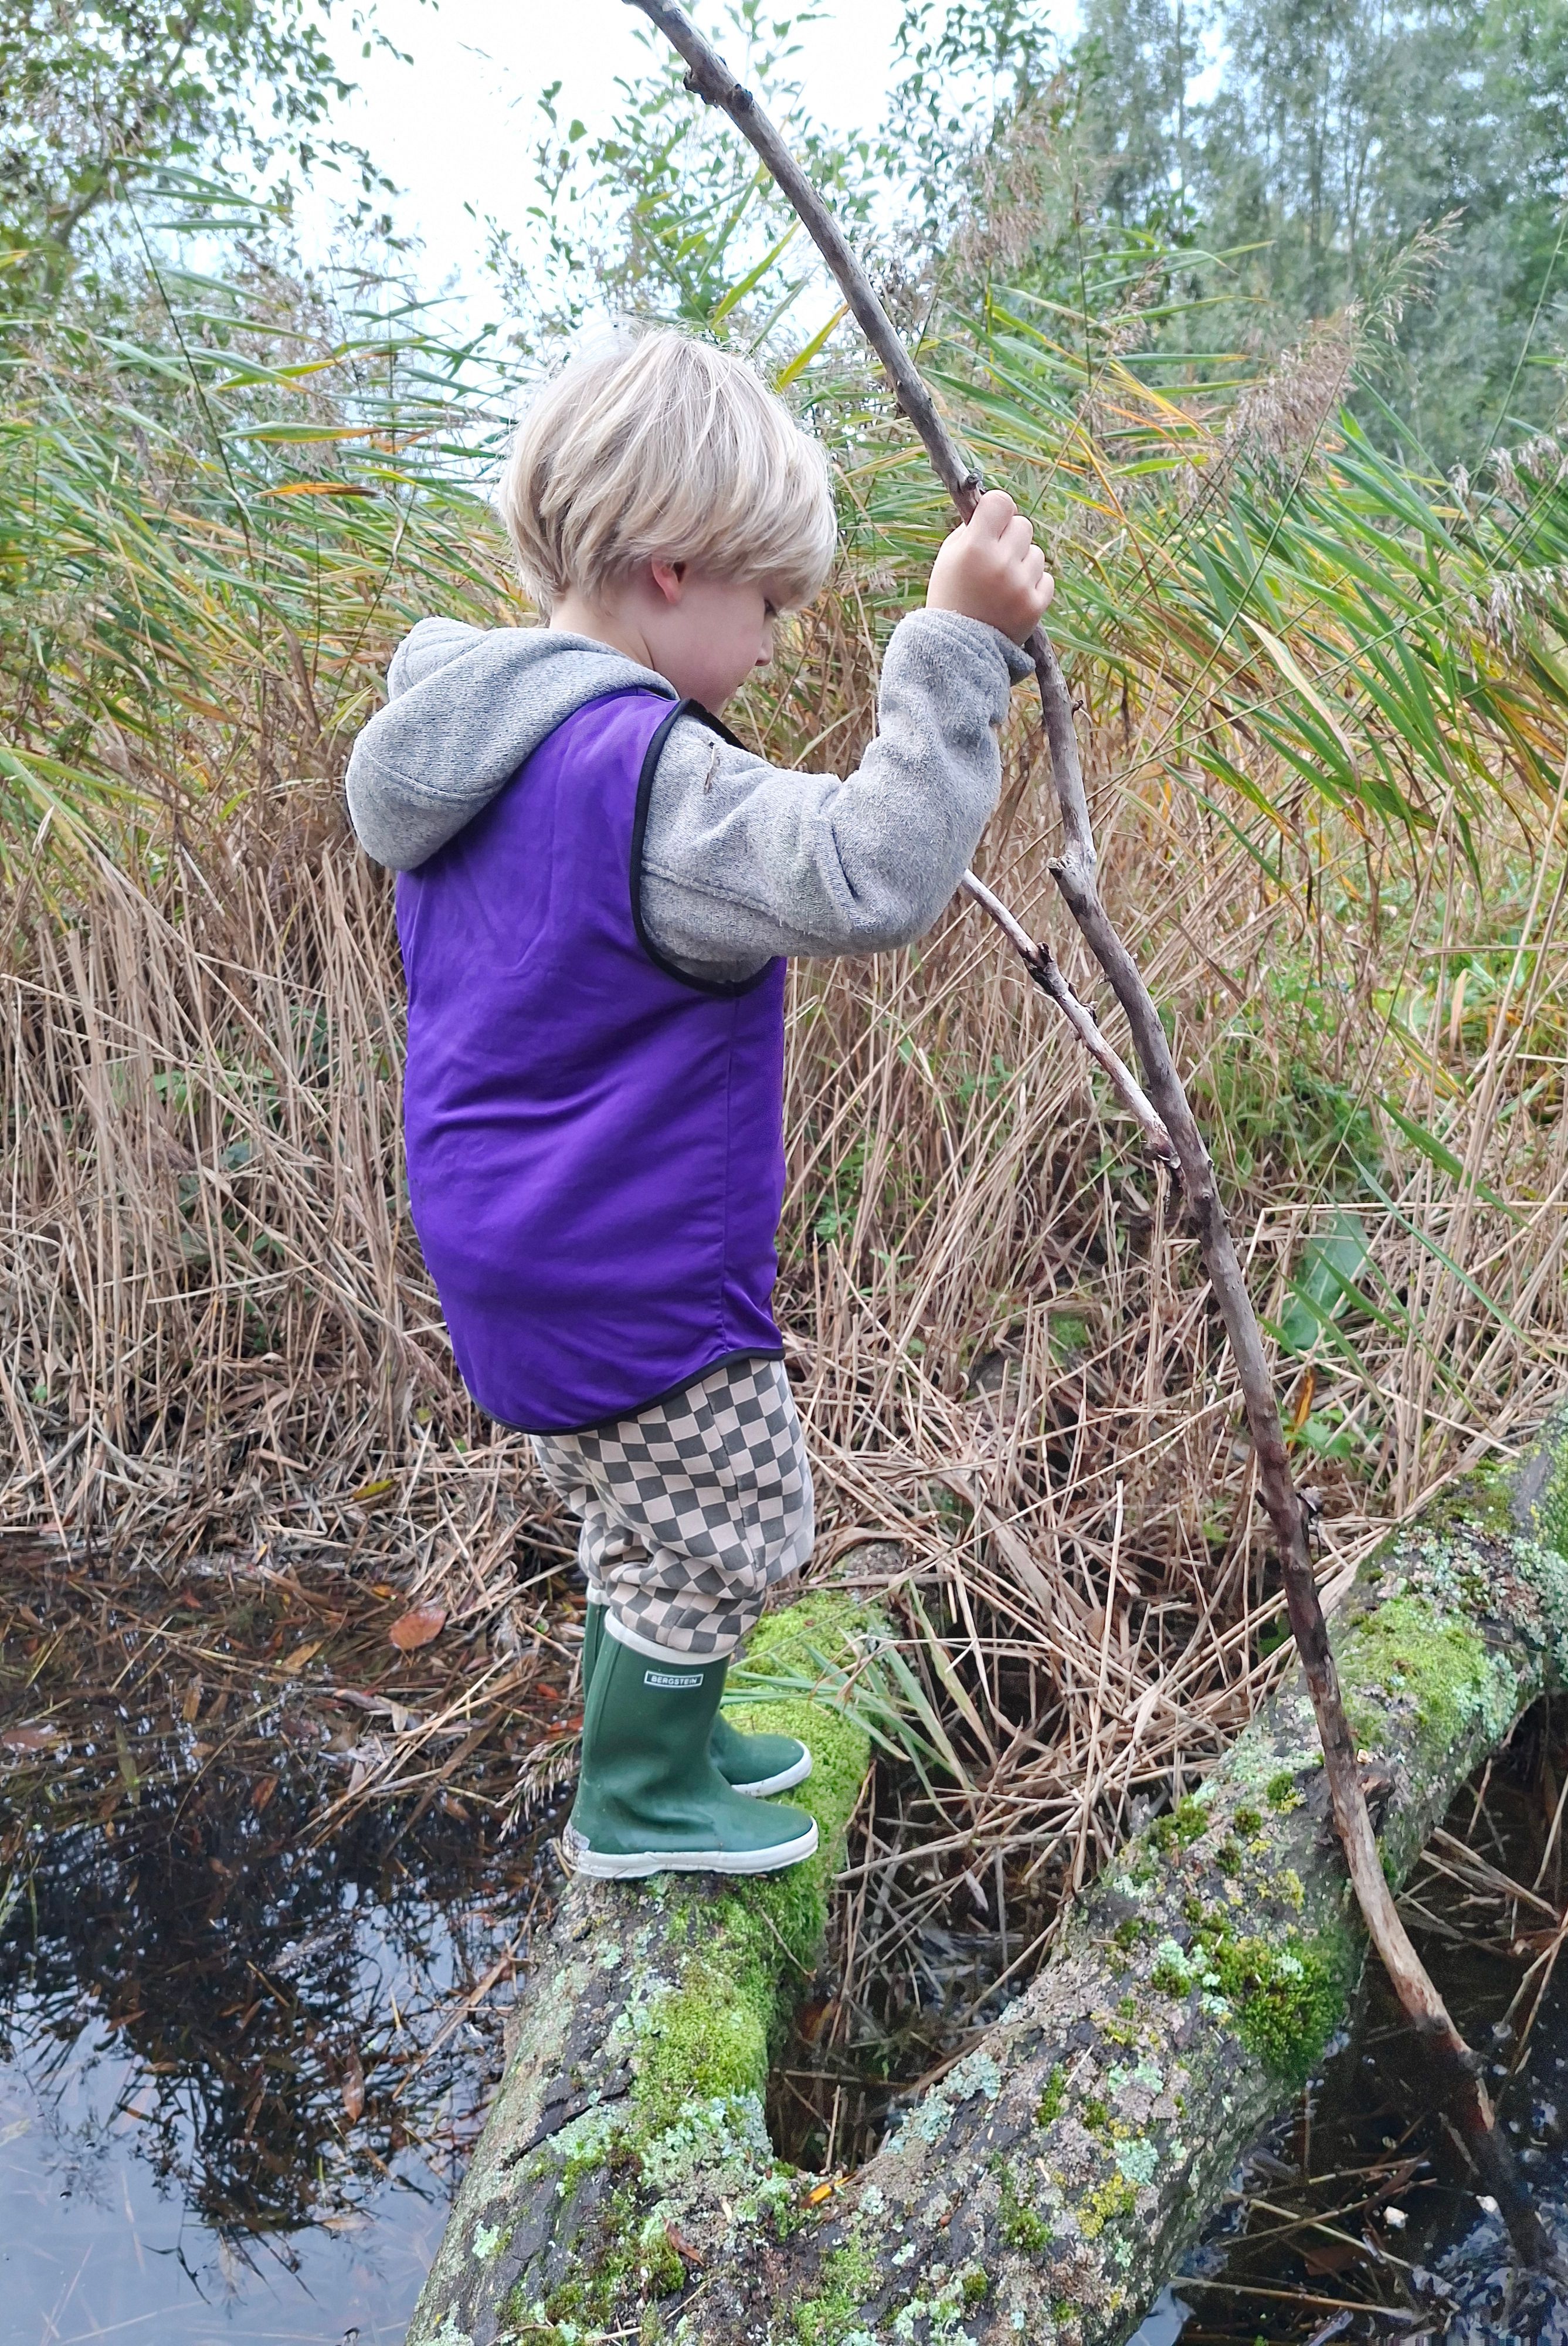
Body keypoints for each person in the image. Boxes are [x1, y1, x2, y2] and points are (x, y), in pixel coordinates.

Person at [345, 327, 1053, 1879]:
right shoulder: (637, 775)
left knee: (641, 1507)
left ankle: (664, 1738)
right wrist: (951, 651)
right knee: (740, 1518)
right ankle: (642, 1803)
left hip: (510, 1229)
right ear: (672, 568)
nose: (781, 642)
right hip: (620, 1254)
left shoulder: (484, 743)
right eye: (771, 603)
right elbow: (872, 869)